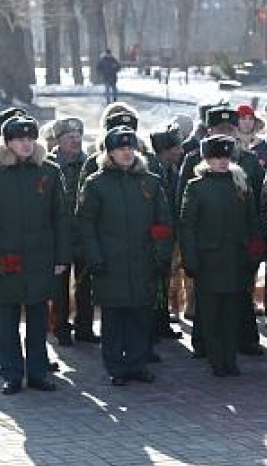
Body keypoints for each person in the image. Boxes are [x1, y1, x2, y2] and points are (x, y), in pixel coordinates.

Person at [77, 127, 173, 386]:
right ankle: (115, 367)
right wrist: (95, 257)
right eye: (121, 149)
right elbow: (86, 224)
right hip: (110, 262)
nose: (127, 153)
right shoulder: (95, 184)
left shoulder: (150, 181)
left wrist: (161, 256)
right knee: (114, 319)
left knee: (140, 315)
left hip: (143, 260)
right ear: (109, 153)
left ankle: (137, 363)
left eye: (130, 148)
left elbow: (163, 223)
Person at [181, 135, 264, 377]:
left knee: (232, 312)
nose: (222, 162)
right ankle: (217, 360)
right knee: (210, 314)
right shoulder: (196, 187)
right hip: (209, 260)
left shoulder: (240, 185)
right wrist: (191, 260)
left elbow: (252, 220)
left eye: (226, 157)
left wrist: (254, 252)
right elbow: (188, 226)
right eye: (216, 157)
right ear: (206, 160)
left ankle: (230, 359)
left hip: (236, 259)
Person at [0, 116, 71, 395]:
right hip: (7, 259)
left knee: (39, 318)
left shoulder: (50, 172)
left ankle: (38, 372)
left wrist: (61, 258)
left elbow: (61, 218)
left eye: (30, 139)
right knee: (6, 319)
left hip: (41, 258)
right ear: (8, 143)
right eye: (19, 139)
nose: (26, 144)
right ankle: (11, 373)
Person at [46, 117, 94, 347]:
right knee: (59, 287)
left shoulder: (91, 163)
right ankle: (60, 328)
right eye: (69, 136)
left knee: (86, 285)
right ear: (59, 139)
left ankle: (84, 327)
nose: (75, 140)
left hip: (85, 234)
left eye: (78, 135)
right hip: (57, 235)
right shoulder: (47, 165)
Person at [148, 126, 184, 340]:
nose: (180, 151)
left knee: (163, 280)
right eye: (176, 148)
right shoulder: (152, 170)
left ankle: (161, 322)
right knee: (154, 282)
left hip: (168, 236)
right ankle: (154, 324)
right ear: (164, 150)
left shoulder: (171, 169)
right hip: (156, 237)